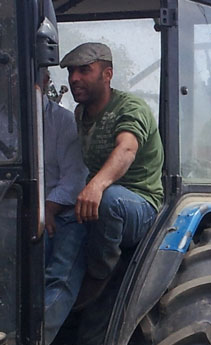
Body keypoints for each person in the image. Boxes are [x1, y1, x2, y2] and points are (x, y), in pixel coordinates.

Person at [60, 42, 164, 300]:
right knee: (60, 227)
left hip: (140, 206)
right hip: (106, 199)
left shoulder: (130, 108)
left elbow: (127, 149)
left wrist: (96, 185)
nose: (74, 78)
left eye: (84, 70)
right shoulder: (80, 112)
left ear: (107, 75)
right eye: (71, 71)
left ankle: (102, 274)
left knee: (109, 200)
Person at [41, 70, 89, 345]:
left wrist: (47, 209)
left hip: (51, 212)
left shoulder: (61, 121)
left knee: (55, 272)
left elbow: (73, 178)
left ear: (45, 79)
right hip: (9, 211)